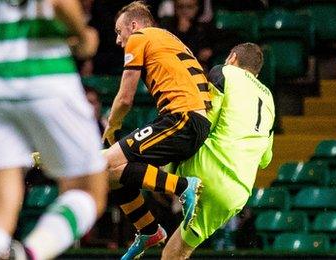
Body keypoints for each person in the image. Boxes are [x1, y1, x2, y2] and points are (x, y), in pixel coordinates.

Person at [0, 0, 107, 259]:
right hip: (45, 78)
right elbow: (60, 5)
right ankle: (29, 254)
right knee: (88, 191)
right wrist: (82, 35)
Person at [103, 1, 211, 258]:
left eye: (119, 32)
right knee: (111, 174)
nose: (119, 41)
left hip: (182, 119)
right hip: (194, 122)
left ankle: (184, 186)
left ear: (134, 25)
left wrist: (111, 125)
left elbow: (126, 98)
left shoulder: (140, 37)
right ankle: (149, 230)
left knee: (102, 163)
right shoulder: (167, 38)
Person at [158, 43, 275, 259]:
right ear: (256, 73)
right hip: (236, 193)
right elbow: (266, 160)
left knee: (137, 160)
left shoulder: (224, 72)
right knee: (176, 253)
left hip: (204, 169)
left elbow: (203, 124)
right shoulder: (269, 99)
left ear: (232, 57)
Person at [160, 0, 215, 68]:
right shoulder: (166, 25)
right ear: (174, 7)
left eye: (189, 7)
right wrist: (181, 32)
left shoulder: (203, 27)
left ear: (197, 7)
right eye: (180, 7)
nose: (184, 11)